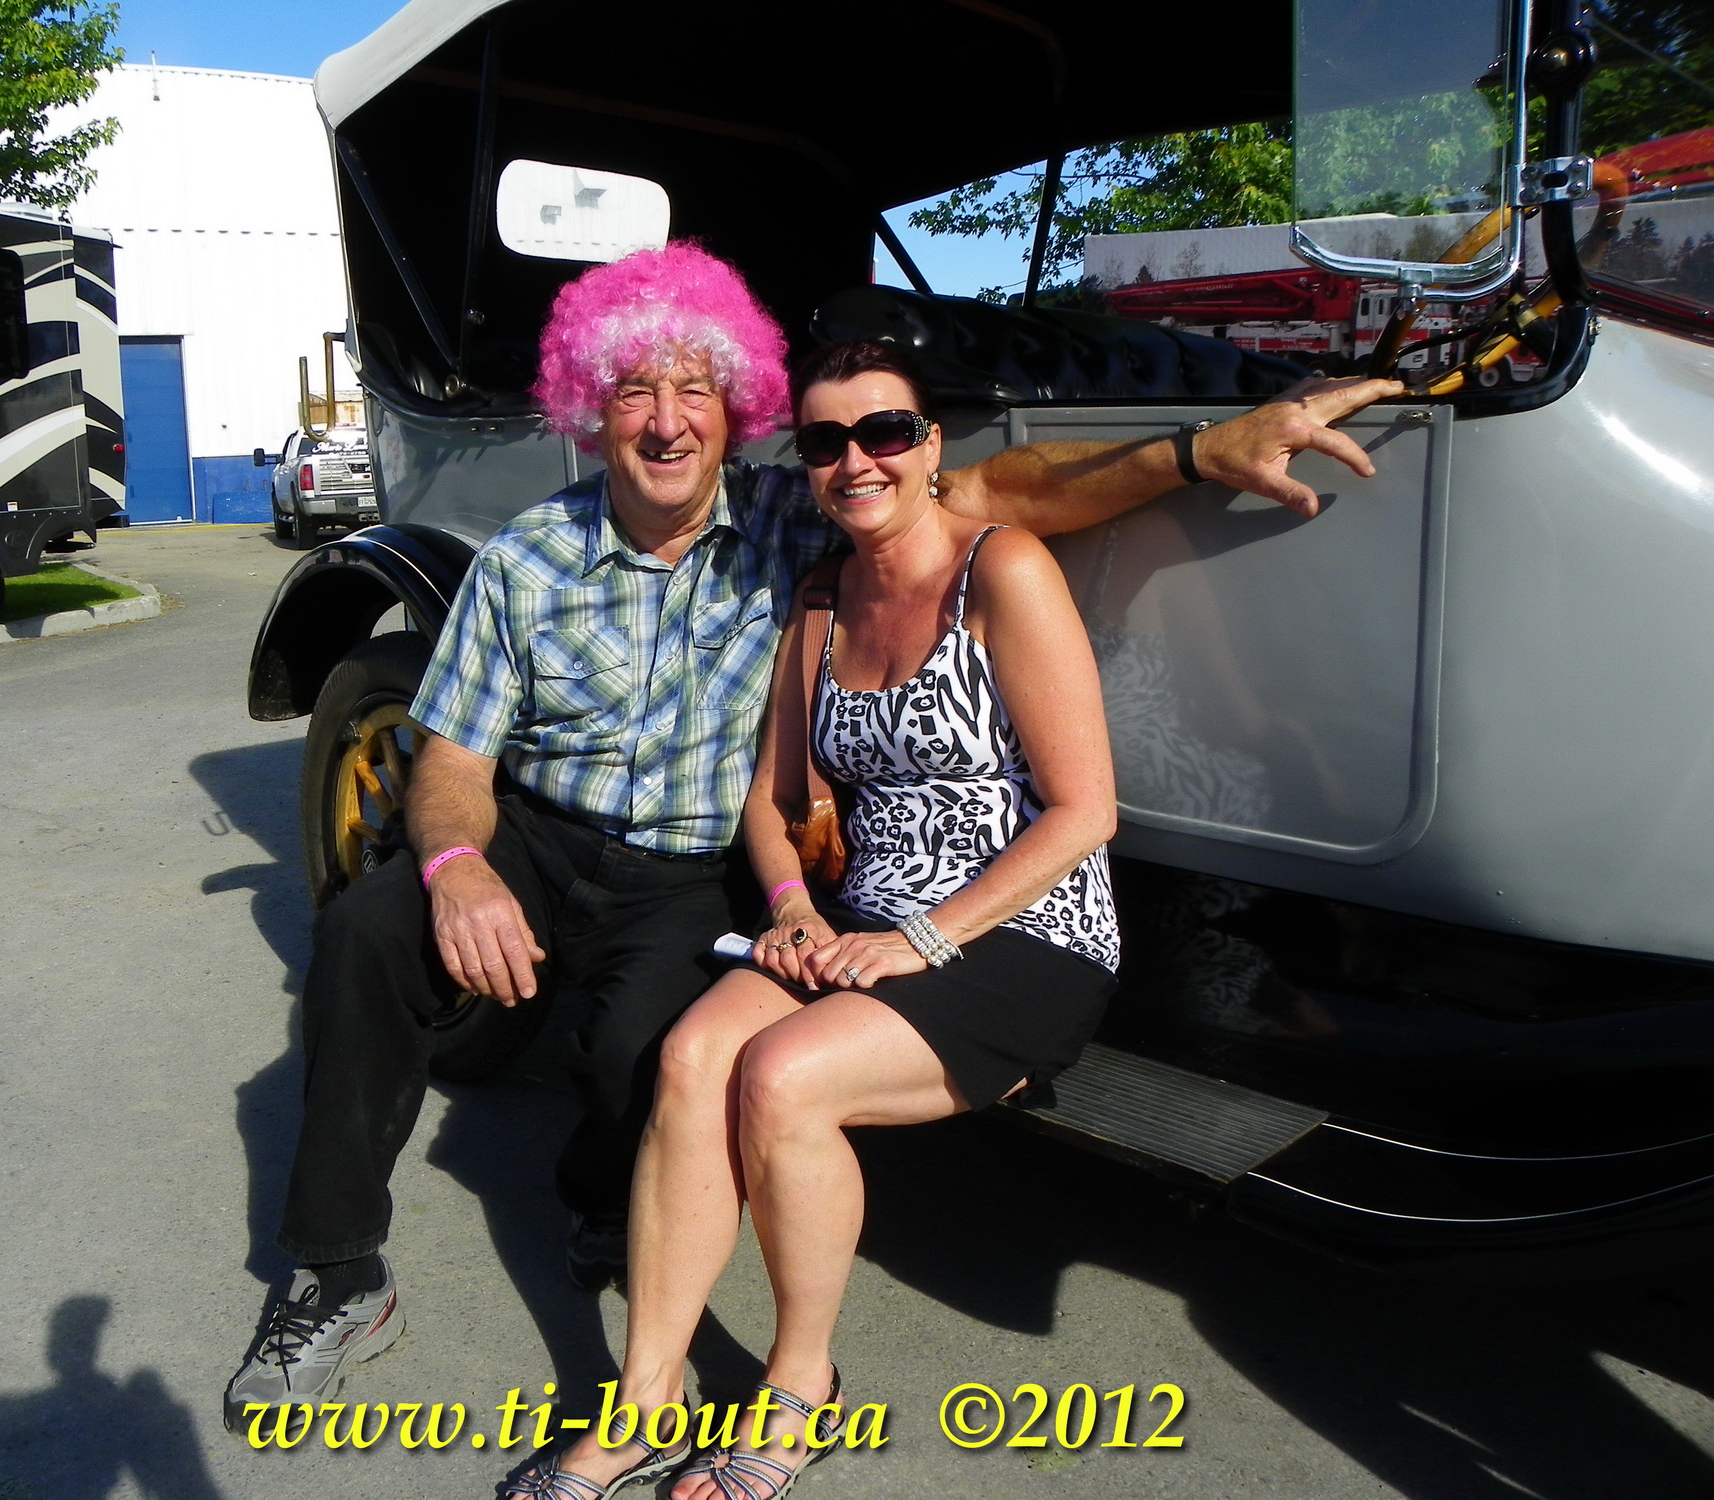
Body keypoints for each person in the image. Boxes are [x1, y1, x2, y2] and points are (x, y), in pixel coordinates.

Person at [223, 241, 1402, 1430]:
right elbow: (453, 763)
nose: (667, 422)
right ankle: (335, 1271)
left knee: (654, 1053)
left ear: (736, 408)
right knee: (369, 929)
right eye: (633, 391)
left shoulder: (801, 513)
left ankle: (605, 1199)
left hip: (687, 870)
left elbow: (1012, 491)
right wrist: (452, 866)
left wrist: (1201, 451)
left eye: (695, 389)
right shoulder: (526, 560)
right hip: (538, 834)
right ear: (590, 409)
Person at [498, 337, 1121, 1499]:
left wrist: (923, 938)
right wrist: (788, 905)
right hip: (862, 915)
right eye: (825, 442)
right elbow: (769, 797)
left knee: (779, 1079)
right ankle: (645, 1398)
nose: (855, 461)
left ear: (930, 447)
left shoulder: (1002, 569)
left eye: (883, 431)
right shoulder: (823, 601)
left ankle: (797, 1388)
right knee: (691, 1058)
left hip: (1021, 931)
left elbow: (1086, 813)